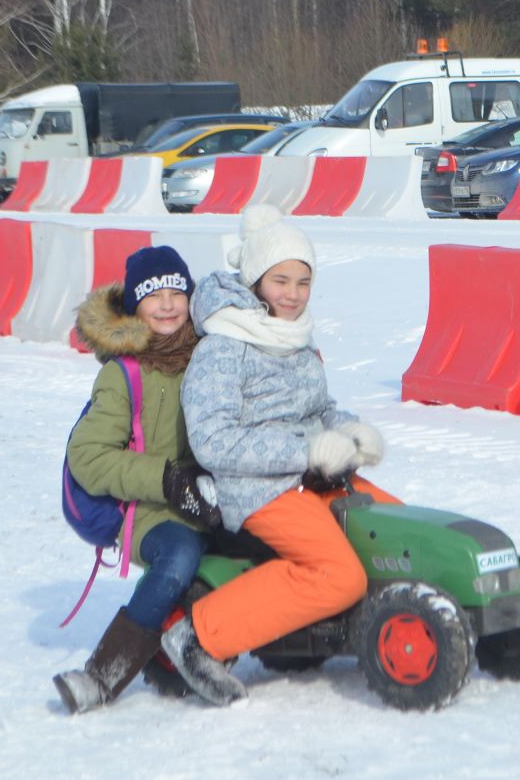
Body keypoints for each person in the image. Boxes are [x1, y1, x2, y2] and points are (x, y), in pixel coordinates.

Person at [161, 204, 392, 705]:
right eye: (280, 280)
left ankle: (354, 625)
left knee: (389, 527)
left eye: (303, 282)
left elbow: (319, 407)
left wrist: (349, 431)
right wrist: (305, 448)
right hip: (257, 486)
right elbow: (214, 440)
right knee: (337, 573)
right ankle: (199, 636)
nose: (292, 294)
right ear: (255, 280)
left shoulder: (295, 338)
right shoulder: (224, 347)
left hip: (314, 474)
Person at [54, 245, 223, 714]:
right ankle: (101, 677)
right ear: (133, 307)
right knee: (179, 556)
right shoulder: (123, 374)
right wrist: (167, 480)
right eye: (153, 295)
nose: (167, 304)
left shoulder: (210, 357)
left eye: (176, 292)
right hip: (147, 510)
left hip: (209, 495)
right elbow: (87, 457)